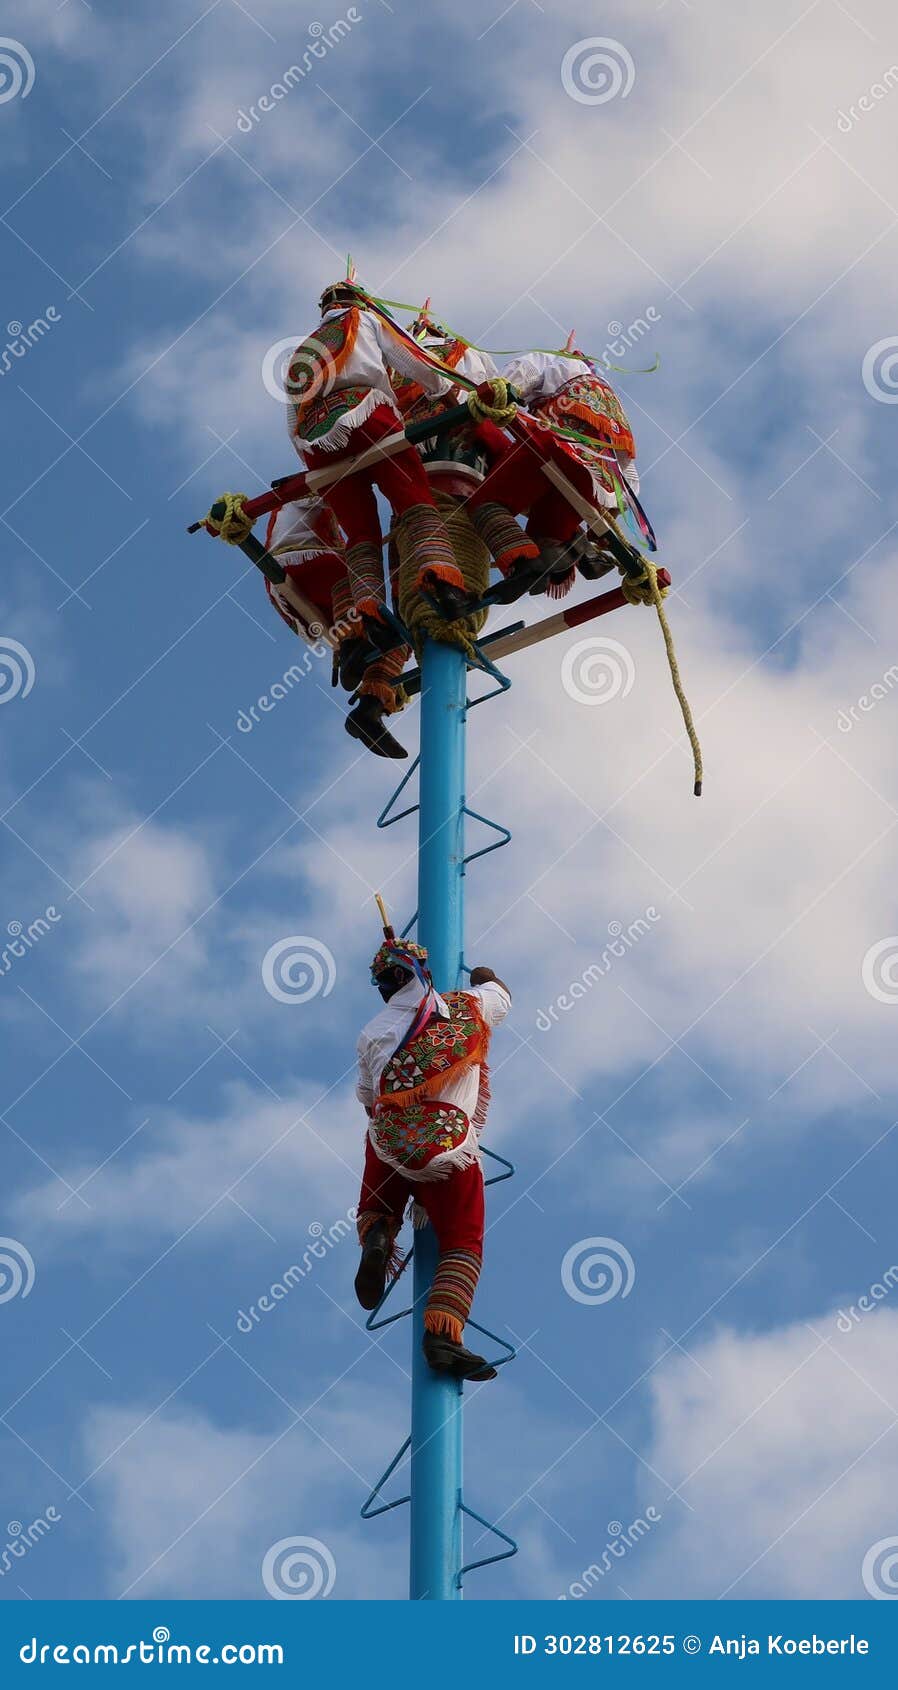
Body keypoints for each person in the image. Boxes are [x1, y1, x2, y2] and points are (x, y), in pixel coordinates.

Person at [354, 937, 511, 1382]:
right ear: (423, 974)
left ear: (383, 987)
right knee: (463, 1241)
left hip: (393, 1142)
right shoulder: (468, 1008)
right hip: (448, 1145)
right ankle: (442, 1336)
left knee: (379, 1144)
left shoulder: (371, 1034)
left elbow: (368, 1098)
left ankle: (378, 1236)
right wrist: (484, 977)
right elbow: (501, 993)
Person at [286, 277, 472, 636]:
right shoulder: (365, 319)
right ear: (359, 301)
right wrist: (444, 389)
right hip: (367, 415)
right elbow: (407, 358)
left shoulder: (302, 351)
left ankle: (369, 611)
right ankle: (442, 580)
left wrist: (315, 468)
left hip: (317, 443)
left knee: (359, 531)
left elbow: (292, 417)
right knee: (412, 496)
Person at [464, 339, 645, 601]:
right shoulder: (605, 392)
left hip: (555, 446)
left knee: (485, 504)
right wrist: (605, 519)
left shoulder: (545, 359)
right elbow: (628, 475)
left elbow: (505, 387)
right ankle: (571, 549)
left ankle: (523, 564)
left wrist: (474, 416)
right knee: (543, 532)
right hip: (598, 480)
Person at [262, 496, 410, 759]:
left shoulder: (315, 502)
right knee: (361, 581)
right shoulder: (306, 490)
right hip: (300, 562)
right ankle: (354, 648)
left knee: (395, 632)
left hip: (310, 587)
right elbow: (336, 488)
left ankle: (369, 708)